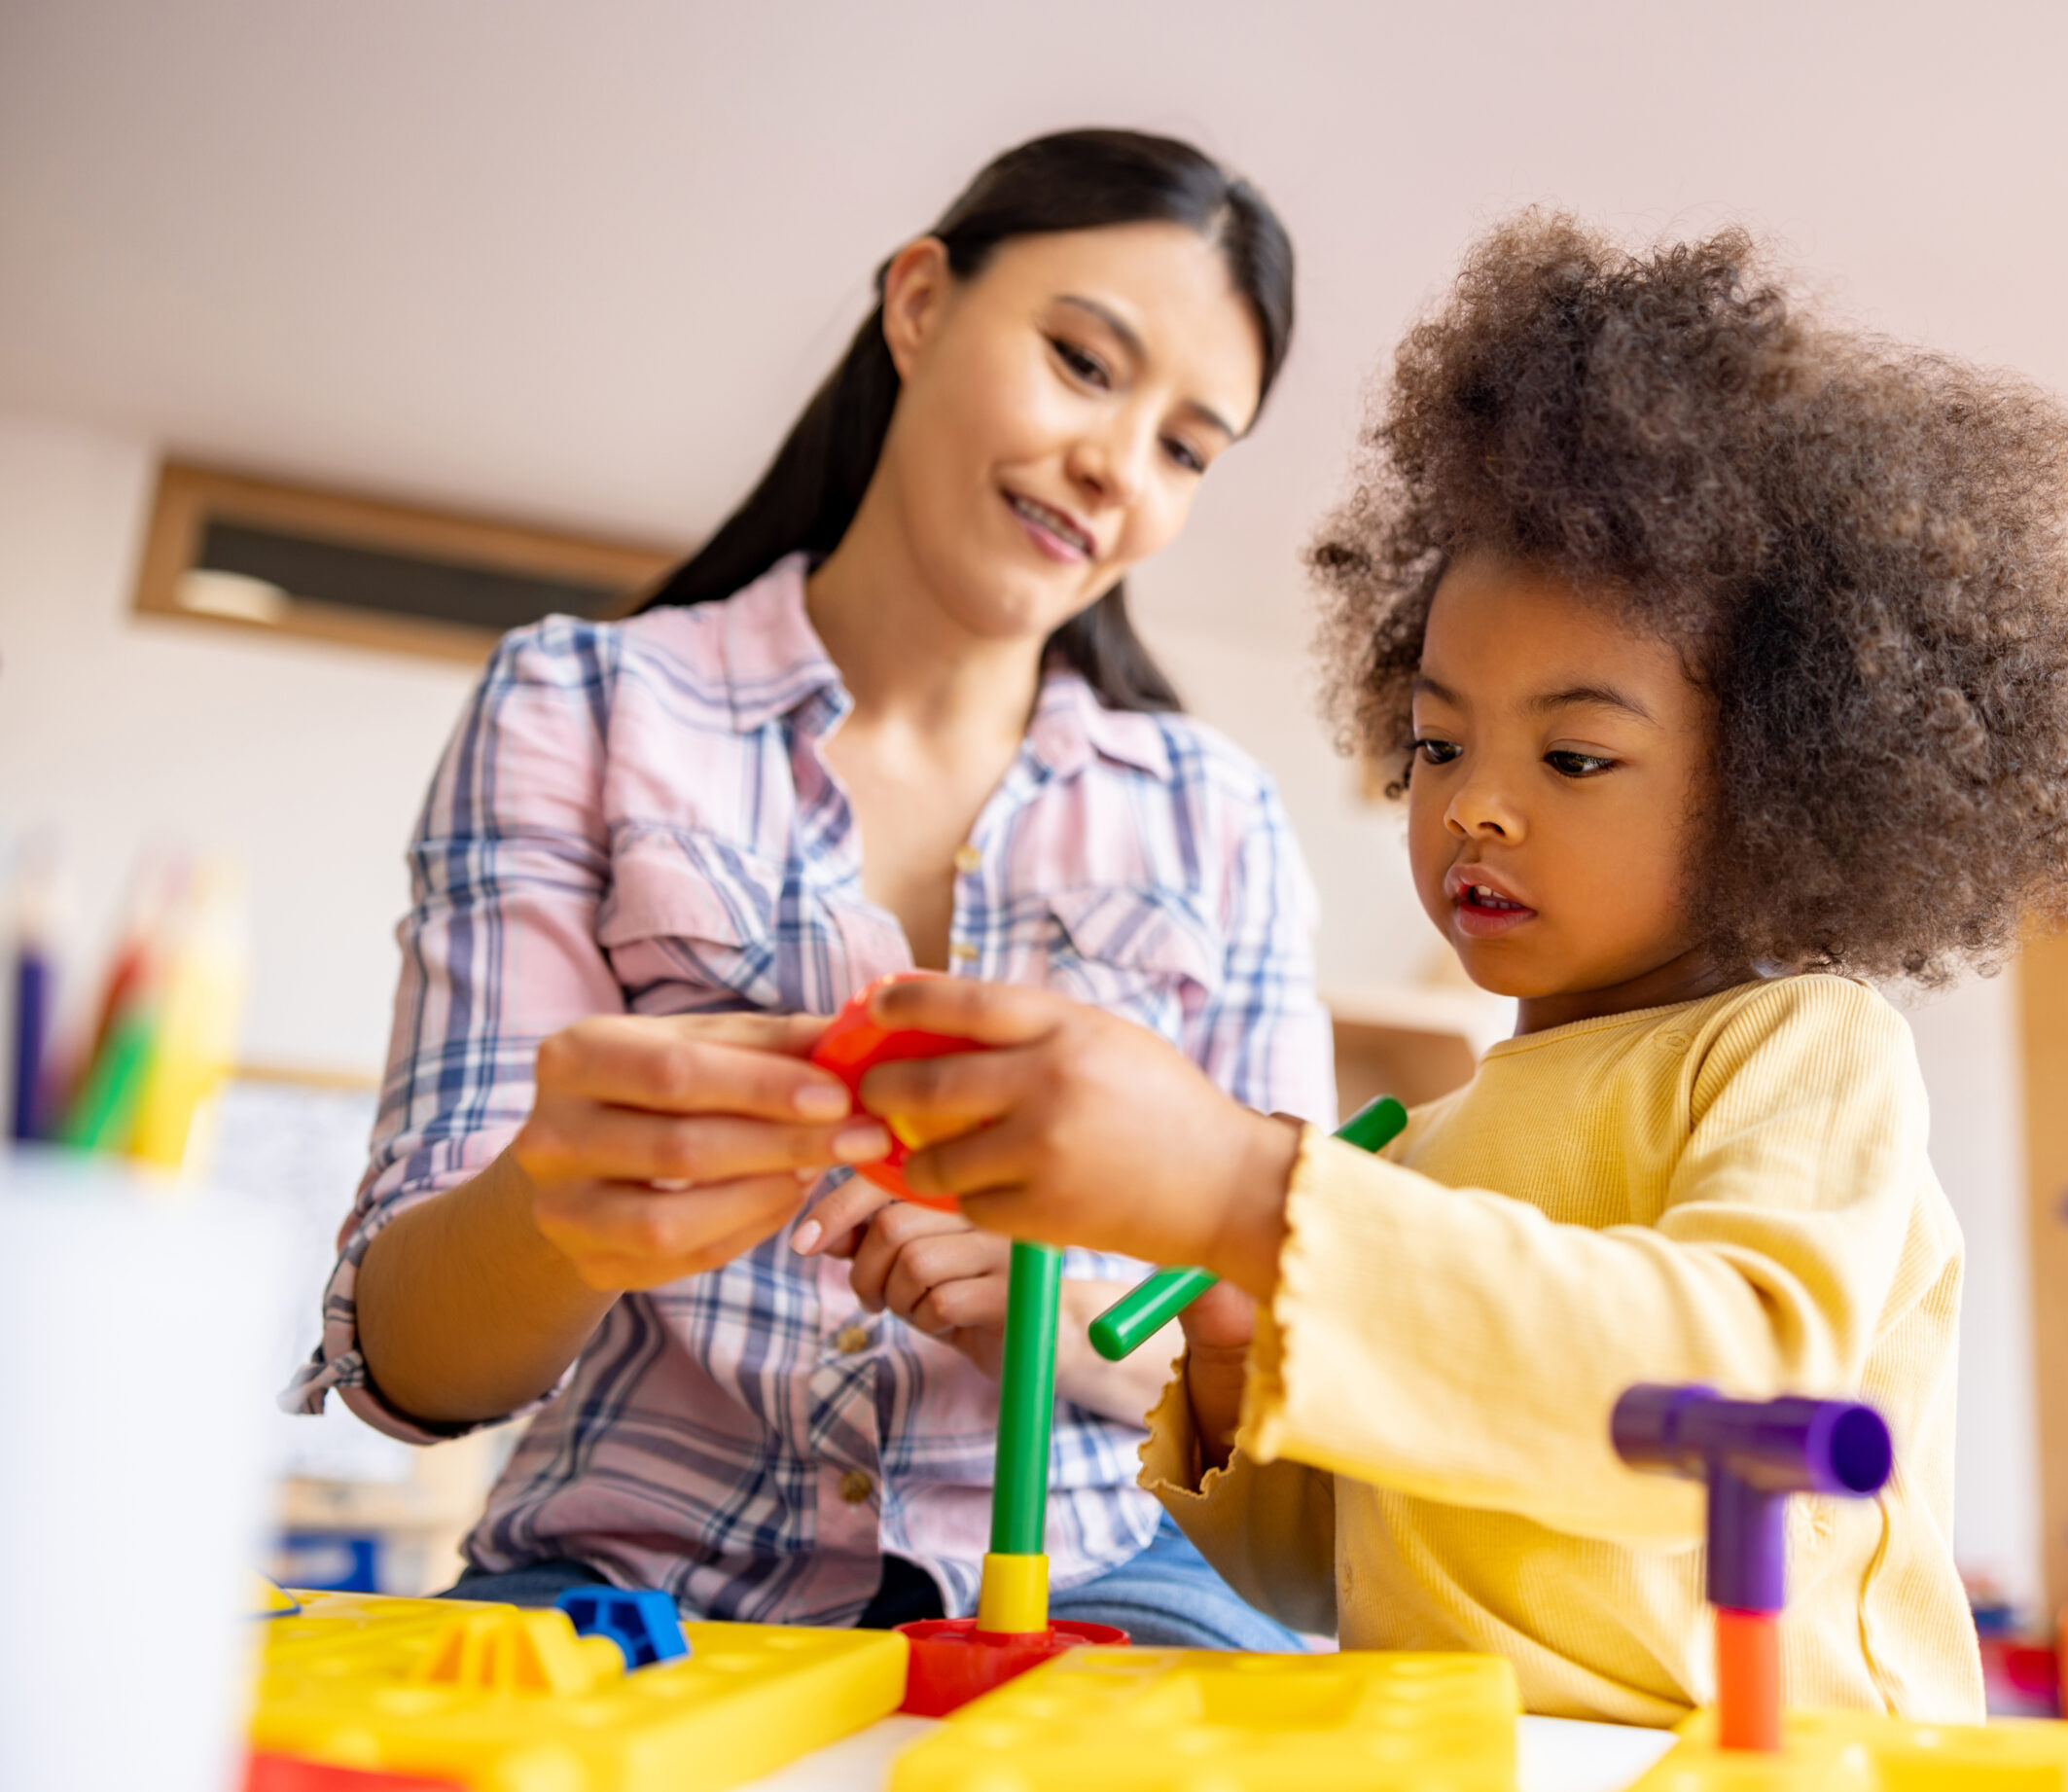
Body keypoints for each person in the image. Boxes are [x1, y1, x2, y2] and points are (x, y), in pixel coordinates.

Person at [809, 217, 2068, 1721]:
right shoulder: (1435, 1135)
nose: (1476, 805)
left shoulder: (1798, 1048)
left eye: (1573, 753)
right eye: (1439, 741)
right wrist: (1238, 1344)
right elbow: (1316, 1569)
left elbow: (1715, 1397)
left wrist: (1250, 1193)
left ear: (1782, 781)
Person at [289, 128, 1331, 1649]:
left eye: (1186, 447)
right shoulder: (578, 705)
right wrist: (563, 1208)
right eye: (1084, 363)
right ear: (918, 303)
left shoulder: (1220, 817)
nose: (1119, 464)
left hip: (1112, 1583)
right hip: (627, 1576)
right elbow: (410, 1366)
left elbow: (1290, 1384)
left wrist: (1066, 1324)